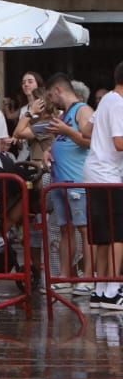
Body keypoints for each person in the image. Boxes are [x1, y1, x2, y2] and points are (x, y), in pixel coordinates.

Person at [43, 74, 93, 295]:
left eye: (50, 94)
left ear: (57, 90)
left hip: (77, 181)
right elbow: (61, 143)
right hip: (59, 181)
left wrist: (67, 131)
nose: (50, 99)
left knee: (84, 230)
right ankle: (65, 276)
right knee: (65, 229)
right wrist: (48, 151)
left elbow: (89, 140)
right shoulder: (63, 115)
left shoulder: (83, 110)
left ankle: (89, 277)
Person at [84, 62, 123, 311]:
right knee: (117, 234)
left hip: (94, 170)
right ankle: (112, 290)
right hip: (109, 174)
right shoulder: (119, 103)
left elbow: (86, 128)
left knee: (101, 235)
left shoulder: (107, 99)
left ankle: (99, 289)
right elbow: (119, 143)